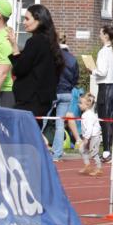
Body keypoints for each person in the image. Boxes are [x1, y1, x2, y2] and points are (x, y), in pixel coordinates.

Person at [6, 4, 63, 118]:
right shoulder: (50, 42)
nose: (24, 22)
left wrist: (14, 49)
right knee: (35, 131)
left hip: (31, 100)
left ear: (39, 20)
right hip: (43, 99)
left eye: (27, 19)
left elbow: (20, 69)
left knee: (25, 132)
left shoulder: (35, 41)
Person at [89, 25, 113, 162]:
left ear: (106, 35)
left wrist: (92, 70)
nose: (99, 35)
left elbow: (102, 72)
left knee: (105, 120)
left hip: (106, 87)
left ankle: (107, 150)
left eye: (101, 33)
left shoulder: (104, 51)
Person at [48, 34, 80, 162]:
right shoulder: (72, 58)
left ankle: (38, 148)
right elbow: (75, 78)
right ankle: (57, 154)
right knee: (60, 124)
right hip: (67, 93)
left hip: (53, 91)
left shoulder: (53, 56)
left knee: (42, 121)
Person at [78, 92, 103, 176]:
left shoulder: (89, 115)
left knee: (94, 153)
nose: (79, 105)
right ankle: (87, 165)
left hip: (94, 136)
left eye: (81, 103)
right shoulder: (85, 114)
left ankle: (99, 168)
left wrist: (86, 138)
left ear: (88, 104)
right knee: (82, 149)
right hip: (89, 136)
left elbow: (89, 128)